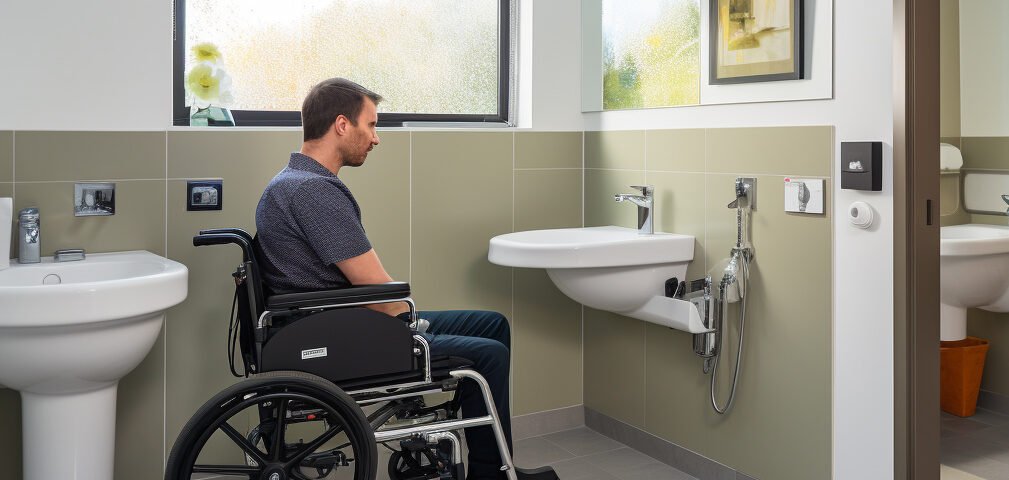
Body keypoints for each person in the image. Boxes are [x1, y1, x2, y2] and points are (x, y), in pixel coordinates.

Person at [255, 77, 557, 480]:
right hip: (335, 333)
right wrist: (413, 326)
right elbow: (378, 289)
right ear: (342, 125)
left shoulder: (290, 181)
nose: (376, 138)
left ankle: (491, 463)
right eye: (371, 125)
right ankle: (491, 474)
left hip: (326, 321)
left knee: (492, 324)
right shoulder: (314, 191)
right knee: (489, 354)